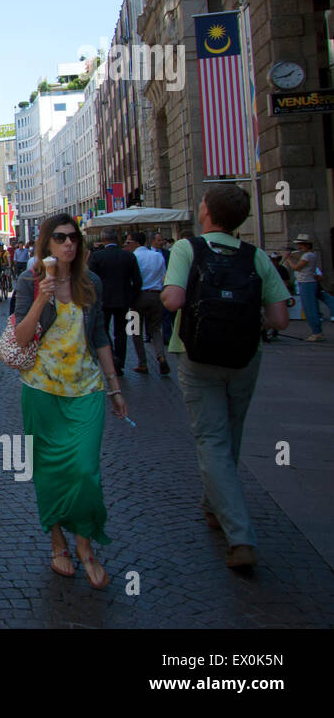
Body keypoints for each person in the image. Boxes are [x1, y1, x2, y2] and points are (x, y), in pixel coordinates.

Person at [162, 185, 290, 568]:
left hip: (198, 356)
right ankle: (214, 505)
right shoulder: (256, 256)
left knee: (212, 439)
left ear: (207, 213)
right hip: (245, 358)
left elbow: (172, 300)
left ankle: (240, 536)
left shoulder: (189, 249)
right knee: (230, 434)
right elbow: (280, 318)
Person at [11, 213, 126, 589]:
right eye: (60, 238)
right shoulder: (29, 282)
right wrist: (40, 297)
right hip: (42, 392)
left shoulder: (91, 282)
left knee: (84, 470)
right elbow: (23, 338)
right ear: (46, 244)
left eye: (73, 238)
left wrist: (115, 387)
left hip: (87, 390)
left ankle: (85, 544)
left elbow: (100, 337)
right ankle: (58, 541)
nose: (68, 244)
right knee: (49, 472)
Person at [87, 226, 142, 377]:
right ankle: (120, 364)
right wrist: (131, 296)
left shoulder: (97, 257)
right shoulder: (129, 256)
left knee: (102, 331)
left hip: (103, 301)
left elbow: (90, 279)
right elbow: (137, 281)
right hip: (123, 300)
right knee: (121, 333)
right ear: (117, 239)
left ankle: (112, 358)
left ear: (103, 239)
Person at [128, 230, 170, 375]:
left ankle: (142, 363)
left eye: (128, 242)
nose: (127, 245)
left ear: (135, 242)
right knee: (155, 329)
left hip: (138, 297)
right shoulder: (158, 256)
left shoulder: (133, 257)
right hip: (156, 295)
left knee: (135, 331)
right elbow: (164, 275)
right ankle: (161, 356)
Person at [284, 233, 334, 341]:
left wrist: (287, 258)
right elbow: (301, 257)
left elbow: (296, 267)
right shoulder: (311, 254)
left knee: (310, 309)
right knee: (325, 299)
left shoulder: (307, 256)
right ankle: (318, 331)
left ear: (307, 245)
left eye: (300, 244)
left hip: (306, 284)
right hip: (311, 282)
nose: (298, 247)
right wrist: (291, 255)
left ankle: (317, 333)